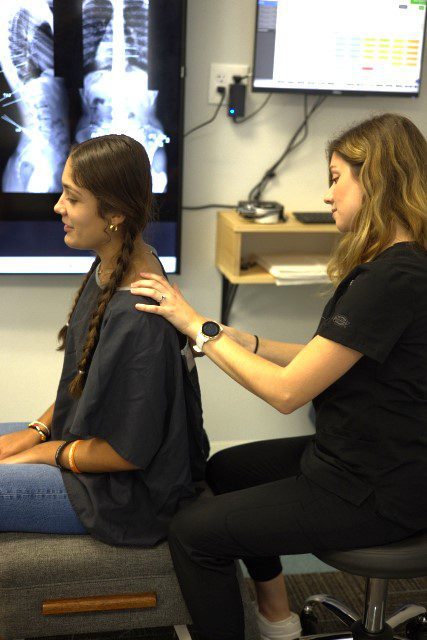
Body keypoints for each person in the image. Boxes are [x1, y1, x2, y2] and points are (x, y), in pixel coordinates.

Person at [129, 113, 427, 640]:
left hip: (375, 491)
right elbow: (327, 355)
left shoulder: (394, 277)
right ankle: (277, 618)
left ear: (376, 178)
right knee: (226, 470)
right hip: (361, 460)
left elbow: (288, 393)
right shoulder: (399, 266)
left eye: (336, 177)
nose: (328, 194)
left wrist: (197, 327)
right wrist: (241, 338)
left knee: (193, 533)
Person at [0, 134, 208, 546]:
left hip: (123, 495)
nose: (58, 207)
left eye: (72, 198)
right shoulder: (118, 263)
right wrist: (38, 430)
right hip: (86, 451)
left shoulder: (138, 317)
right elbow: (85, 381)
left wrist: (42, 453)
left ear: (114, 213)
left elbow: (128, 453)